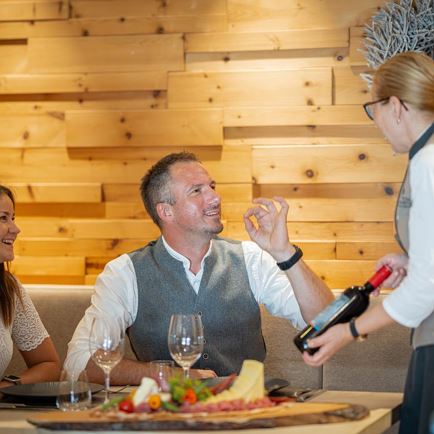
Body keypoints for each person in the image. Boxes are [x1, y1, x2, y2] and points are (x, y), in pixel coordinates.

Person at [65, 152, 334, 384]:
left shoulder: (252, 259)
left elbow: (326, 323)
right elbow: (80, 362)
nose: (214, 197)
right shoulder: (124, 273)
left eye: (212, 187)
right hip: (166, 421)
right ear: (166, 212)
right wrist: (168, 377)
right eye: (197, 191)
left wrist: (284, 252)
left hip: (247, 417)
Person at [302, 52, 434, 434]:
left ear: (395, 106)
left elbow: (426, 289)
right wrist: (413, 259)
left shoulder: (427, 161)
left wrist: (349, 331)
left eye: (371, 108)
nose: (374, 121)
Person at [0, 185, 61, 388]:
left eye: (13, 218)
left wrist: (7, 386)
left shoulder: (9, 289)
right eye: (3, 218)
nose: (15, 229)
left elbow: (49, 365)